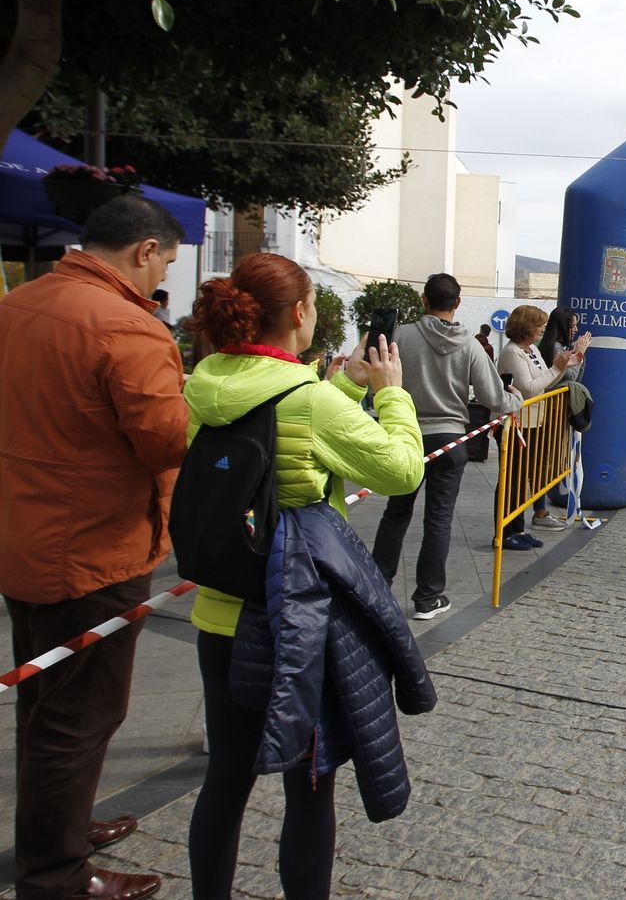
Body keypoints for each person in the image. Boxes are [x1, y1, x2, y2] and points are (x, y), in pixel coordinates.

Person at [182, 252, 428, 899]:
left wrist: (343, 384)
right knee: (309, 784)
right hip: (295, 617)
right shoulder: (309, 398)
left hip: (218, 610)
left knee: (225, 778)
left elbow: (280, 429)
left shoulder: (204, 384)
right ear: (298, 312)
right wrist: (390, 391)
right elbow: (402, 470)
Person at [0, 196, 188, 900]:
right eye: (165, 261)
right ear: (144, 250)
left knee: (45, 705)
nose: (161, 275)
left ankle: (63, 828)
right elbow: (165, 438)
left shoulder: (21, 304)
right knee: (80, 716)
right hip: (94, 547)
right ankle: (55, 874)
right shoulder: (123, 325)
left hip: (26, 533)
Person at [373, 273, 521, 621]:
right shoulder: (469, 345)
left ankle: (377, 588)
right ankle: (428, 597)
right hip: (451, 439)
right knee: (438, 519)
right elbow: (491, 397)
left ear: (424, 300)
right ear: (457, 303)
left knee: (396, 513)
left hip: (405, 435)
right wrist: (513, 401)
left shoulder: (400, 337)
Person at [495, 305, 580, 548]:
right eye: (538, 325)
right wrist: (557, 367)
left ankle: (518, 529)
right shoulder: (512, 352)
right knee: (511, 478)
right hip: (515, 422)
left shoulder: (530, 349)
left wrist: (564, 366)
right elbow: (530, 388)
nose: (543, 329)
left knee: (522, 478)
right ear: (527, 328)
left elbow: (546, 382)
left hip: (532, 421)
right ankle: (504, 531)